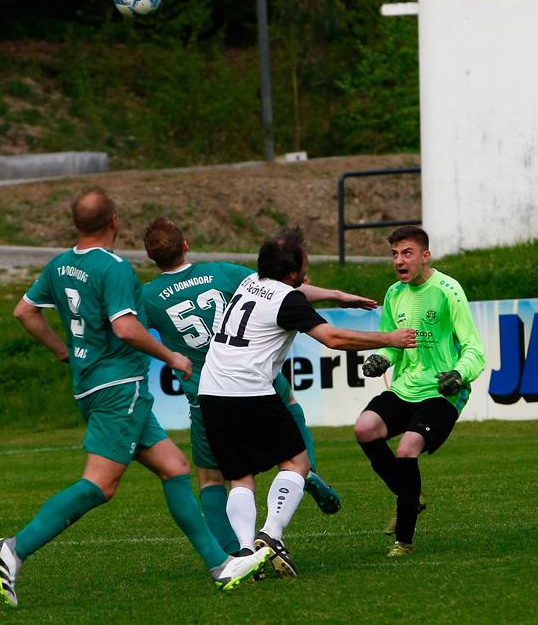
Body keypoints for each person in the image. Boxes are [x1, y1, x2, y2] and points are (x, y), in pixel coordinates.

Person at [0, 188, 271, 608]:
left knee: (175, 468)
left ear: (76, 224)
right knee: (100, 486)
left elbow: (25, 312)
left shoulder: (60, 264)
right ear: (114, 222)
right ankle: (14, 548)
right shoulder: (115, 267)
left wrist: (63, 351)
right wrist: (171, 355)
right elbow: (125, 328)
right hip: (119, 387)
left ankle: (221, 565)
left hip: (92, 385)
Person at [141, 216, 376, 555]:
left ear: (151, 258)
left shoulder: (147, 296)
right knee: (291, 408)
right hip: (259, 375)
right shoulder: (221, 272)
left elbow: (126, 328)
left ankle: (234, 551)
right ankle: (305, 471)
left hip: (208, 392)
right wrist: (336, 295)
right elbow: (280, 288)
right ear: (186, 245)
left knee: (213, 479)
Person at [198, 226, 417, 578]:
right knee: (297, 462)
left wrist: (336, 295)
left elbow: (294, 294)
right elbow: (331, 337)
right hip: (249, 390)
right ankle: (271, 536)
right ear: (291, 272)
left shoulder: (249, 283)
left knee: (240, 477)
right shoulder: (287, 299)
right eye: (304, 265)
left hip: (211, 390)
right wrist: (388, 338)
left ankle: (244, 553)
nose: (307, 271)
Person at [355, 225, 486, 557]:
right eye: (395, 254)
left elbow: (475, 349)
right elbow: (392, 345)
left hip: (443, 391)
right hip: (405, 387)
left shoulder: (447, 290)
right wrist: (379, 360)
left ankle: (404, 541)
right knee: (365, 428)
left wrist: (459, 373)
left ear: (425, 256)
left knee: (406, 448)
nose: (400, 261)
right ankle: (409, 495)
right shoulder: (394, 294)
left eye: (407, 253)